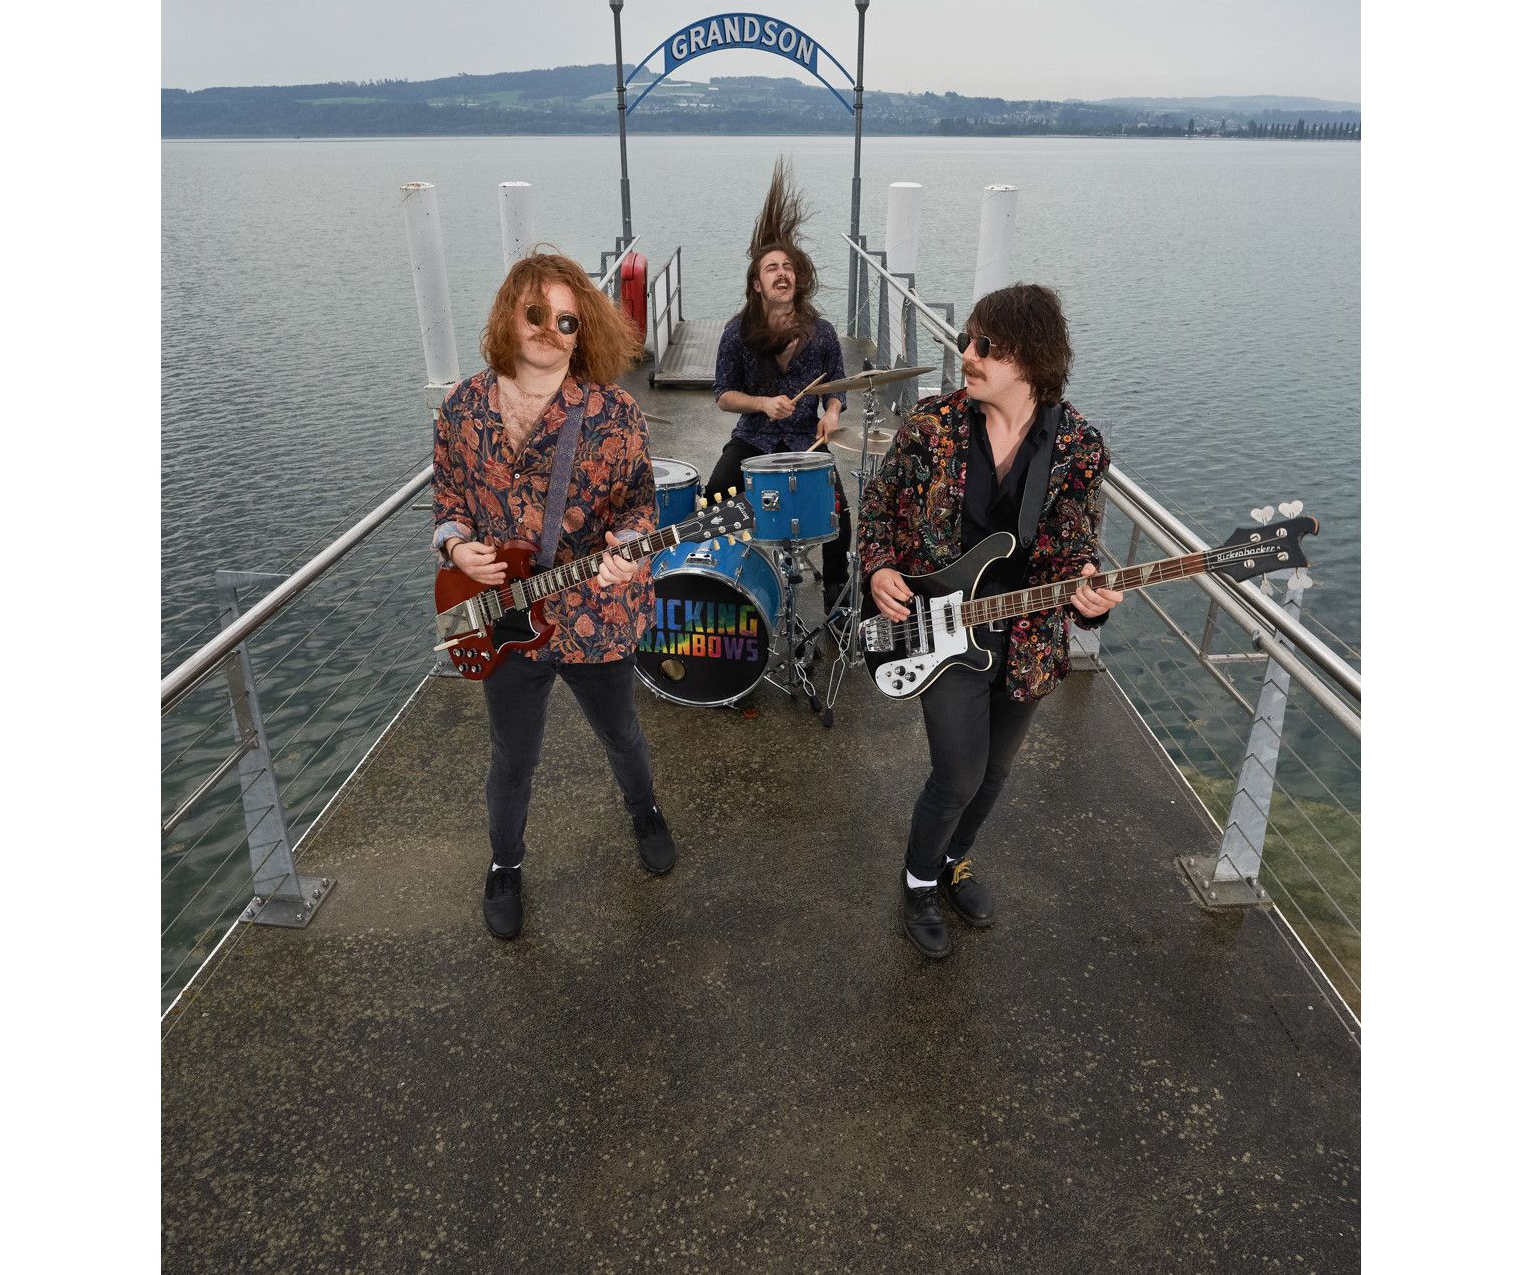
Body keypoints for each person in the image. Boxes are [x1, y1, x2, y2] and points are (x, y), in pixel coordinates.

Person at [857, 283, 1125, 960]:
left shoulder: (1078, 446)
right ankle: (919, 883)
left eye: (986, 346)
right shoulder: (931, 425)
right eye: (967, 340)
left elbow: (1074, 548)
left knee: (995, 774)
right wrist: (879, 568)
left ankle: (954, 862)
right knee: (957, 775)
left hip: (1026, 636)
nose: (967, 354)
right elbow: (878, 506)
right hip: (940, 627)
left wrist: (1087, 592)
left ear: (1030, 359)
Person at [432, 248, 676, 940]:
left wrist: (629, 551)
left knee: (621, 732)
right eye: (536, 313)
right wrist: (456, 547)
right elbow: (447, 500)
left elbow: (642, 505)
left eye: (567, 321)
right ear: (508, 316)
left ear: (582, 333)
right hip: (502, 621)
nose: (549, 329)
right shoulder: (461, 408)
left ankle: (645, 812)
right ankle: (505, 864)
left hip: (595, 615)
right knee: (513, 757)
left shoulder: (613, 413)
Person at [705, 158, 854, 612]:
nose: (782, 273)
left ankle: (835, 598)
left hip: (806, 443)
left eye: (787, 267)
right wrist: (763, 404)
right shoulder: (737, 333)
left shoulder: (821, 332)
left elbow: (837, 386)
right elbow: (723, 395)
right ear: (757, 284)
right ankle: (724, 580)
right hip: (754, 440)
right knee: (714, 497)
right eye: (771, 268)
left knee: (840, 517)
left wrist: (831, 413)